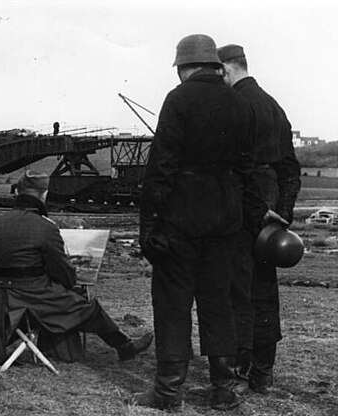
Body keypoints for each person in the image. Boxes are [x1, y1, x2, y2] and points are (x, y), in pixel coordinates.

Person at [130, 34, 266, 411]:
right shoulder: (239, 103)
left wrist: (148, 225)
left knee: (173, 302)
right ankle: (224, 387)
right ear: (214, 65)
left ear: (183, 67)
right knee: (218, 302)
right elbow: (246, 170)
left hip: (181, 218)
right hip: (225, 220)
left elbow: (161, 167)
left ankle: (168, 392)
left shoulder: (179, 99)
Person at [0, 170, 153, 365]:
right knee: (90, 309)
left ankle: (65, 348)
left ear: (17, 193)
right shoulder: (46, 227)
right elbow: (65, 275)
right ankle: (125, 347)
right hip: (32, 300)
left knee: (66, 298)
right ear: (44, 194)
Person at [217, 44, 301, 394]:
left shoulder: (234, 106)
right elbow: (290, 169)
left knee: (238, 292)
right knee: (265, 293)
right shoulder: (274, 107)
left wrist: (254, 210)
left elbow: (237, 169)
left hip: (242, 210)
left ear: (225, 69)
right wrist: (283, 212)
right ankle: (262, 374)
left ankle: (237, 371)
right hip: (271, 212)